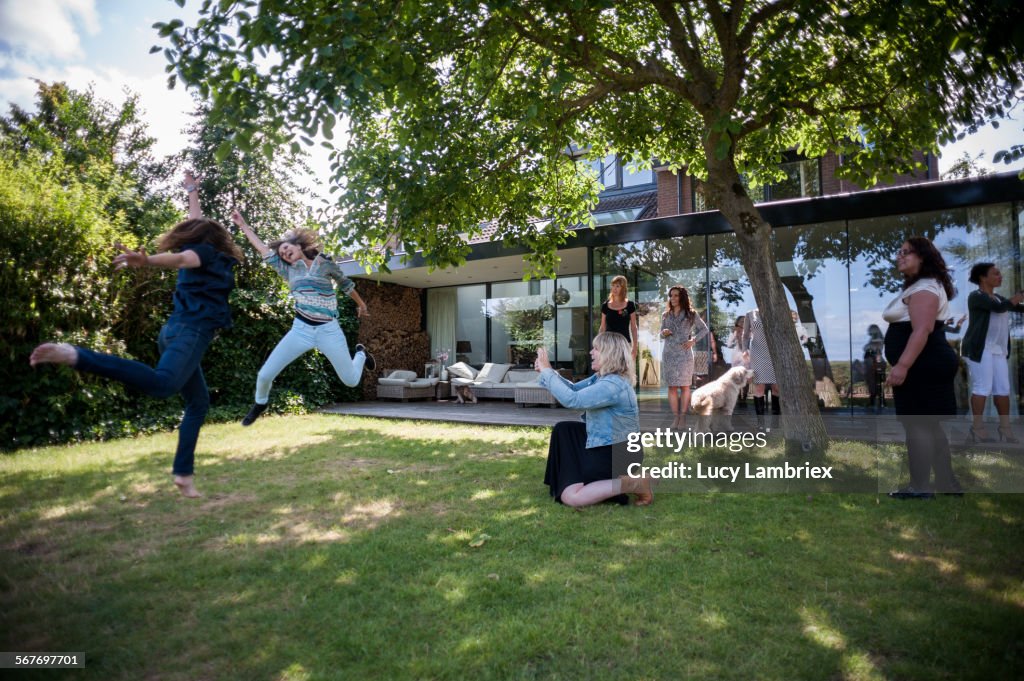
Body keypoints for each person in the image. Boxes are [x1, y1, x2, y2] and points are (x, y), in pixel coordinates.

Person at [29, 172, 241, 498]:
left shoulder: (199, 249)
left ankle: (183, 475)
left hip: (172, 333)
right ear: (217, 238)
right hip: (190, 333)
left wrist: (192, 191)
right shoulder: (207, 255)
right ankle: (76, 355)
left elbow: (192, 227)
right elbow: (182, 258)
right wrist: (147, 260)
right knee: (162, 385)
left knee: (199, 403)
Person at [232, 210, 375, 425]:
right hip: (301, 330)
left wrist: (361, 304)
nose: (284, 254)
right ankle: (260, 403)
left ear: (298, 245)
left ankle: (361, 353)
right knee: (264, 375)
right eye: (281, 253)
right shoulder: (287, 270)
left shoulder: (324, 263)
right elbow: (262, 249)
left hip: (329, 330)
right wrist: (243, 225)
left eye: (286, 248)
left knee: (351, 381)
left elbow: (346, 284)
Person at [883, 236, 962, 499]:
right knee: (928, 425)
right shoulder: (921, 286)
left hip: (922, 364)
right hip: (927, 362)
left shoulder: (925, 287)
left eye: (907, 252)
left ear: (923, 257)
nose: (900, 256)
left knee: (917, 424)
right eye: (899, 251)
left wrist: (902, 365)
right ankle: (946, 484)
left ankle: (919, 487)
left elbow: (923, 330)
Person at [537, 332, 650, 507]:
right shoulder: (602, 378)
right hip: (606, 443)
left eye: (596, 348)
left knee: (572, 498)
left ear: (609, 353)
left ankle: (635, 483)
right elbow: (574, 390)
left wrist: (547, 372)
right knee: (564, 430)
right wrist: (549, 372)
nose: (591, 352)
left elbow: (572, 400)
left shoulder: (613, 385)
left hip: (618, 453)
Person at [961, 262, 1024, 444]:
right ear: (983, 277)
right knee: (983, 387)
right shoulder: (976, 296)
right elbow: (999, 308)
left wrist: (1020, 299)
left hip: (998, 350)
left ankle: (1005, 429)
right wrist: (1017, 297)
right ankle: (977, 428)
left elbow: (1013, 307)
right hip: (980, 349)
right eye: (995, 273)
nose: (1000, 276)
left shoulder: (998, 298)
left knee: (1003, 389)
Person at [659, 285, 709, 428]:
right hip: (669, 353)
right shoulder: (665, 315)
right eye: (671, 296)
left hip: (685, 354)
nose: (673, 298)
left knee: (685, 387)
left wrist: (693, 340)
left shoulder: (691, 314)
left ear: (682, 297)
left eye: (676, 295)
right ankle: (676, 418)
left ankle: (683, 417)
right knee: (672, 387)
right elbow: (660, 334)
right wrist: (664, 333)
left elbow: (704, 330)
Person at [599, 275, 638, 359]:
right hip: (608, 345)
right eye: (613, 286)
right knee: (609, 370)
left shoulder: (630, 305)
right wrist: (598, 345)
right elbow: (602, 327)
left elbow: (634, 327)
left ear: (623, 288)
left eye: (617, 286)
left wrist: (635, 347)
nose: (614, 288)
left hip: (625, 344)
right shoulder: (605, 305)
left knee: (624, 371)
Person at [863, 324, 886, 411]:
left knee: (875, 383)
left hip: (874, 364)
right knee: (875, 383)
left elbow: (875, 350)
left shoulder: (877, 340)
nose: (868, 332)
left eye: (870, 330)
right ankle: (877, 401)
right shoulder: (874, 340)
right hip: (873, 363)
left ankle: (877, 401)